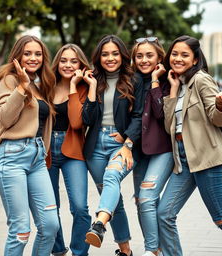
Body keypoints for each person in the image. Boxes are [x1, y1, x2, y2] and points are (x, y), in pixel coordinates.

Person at [157, 35, 222, 256]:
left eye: (185, 55)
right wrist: (172, 91)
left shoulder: (201, 79)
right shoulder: (176, 83)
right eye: (174, 54)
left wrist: (221, 104)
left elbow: (217, 118)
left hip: (206, 158)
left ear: (195, 60)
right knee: (164, 214)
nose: (178, 58)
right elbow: (169, 127)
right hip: (183, 159)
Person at [0, 35, 59, 255]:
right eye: (27, 53)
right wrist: (21, 87)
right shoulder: (9, 79)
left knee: (50, 226)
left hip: (37, 158)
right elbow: (4, 116)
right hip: (12, 156)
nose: (33, 58)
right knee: (20, 231)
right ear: (18, 55)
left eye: (38, 54)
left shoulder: (41, 85)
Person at [82, 34, 143, 256]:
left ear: (122, 55)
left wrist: (128, 142)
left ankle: (98, 225)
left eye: (115, 53)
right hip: (95, 146)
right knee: (113, 197)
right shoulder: (93, 80)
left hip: (123, 144)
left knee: (111, 178)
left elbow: (139, 116)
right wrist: (91, 87)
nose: (110, 58)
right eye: (105, 54)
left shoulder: (134, 80)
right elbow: (86, 120)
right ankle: (125, 252)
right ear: (99, 57)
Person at [130, 37, 174, 256]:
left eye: (149, 55)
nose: (144, 60)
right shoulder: (132, 81)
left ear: (159, 57)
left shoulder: (169, 80)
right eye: (139, 56)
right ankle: (156, 249)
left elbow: (162, 114)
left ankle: (151, 250)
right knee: (141, 201)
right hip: (139, 149)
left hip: (162, 149)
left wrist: (156, 81)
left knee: (147, 198)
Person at [49, 44, 92, 256]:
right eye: (64, 60)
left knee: (80, 207)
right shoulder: (46, 85)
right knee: (49, 207)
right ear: (57, 63)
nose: (68, 65)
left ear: (80, 64)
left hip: (73, 150)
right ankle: (58, 250)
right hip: (45, 151)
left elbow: (76, 122)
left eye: (73, 61)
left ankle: (79, 253)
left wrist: (74, 85)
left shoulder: (85, 87)